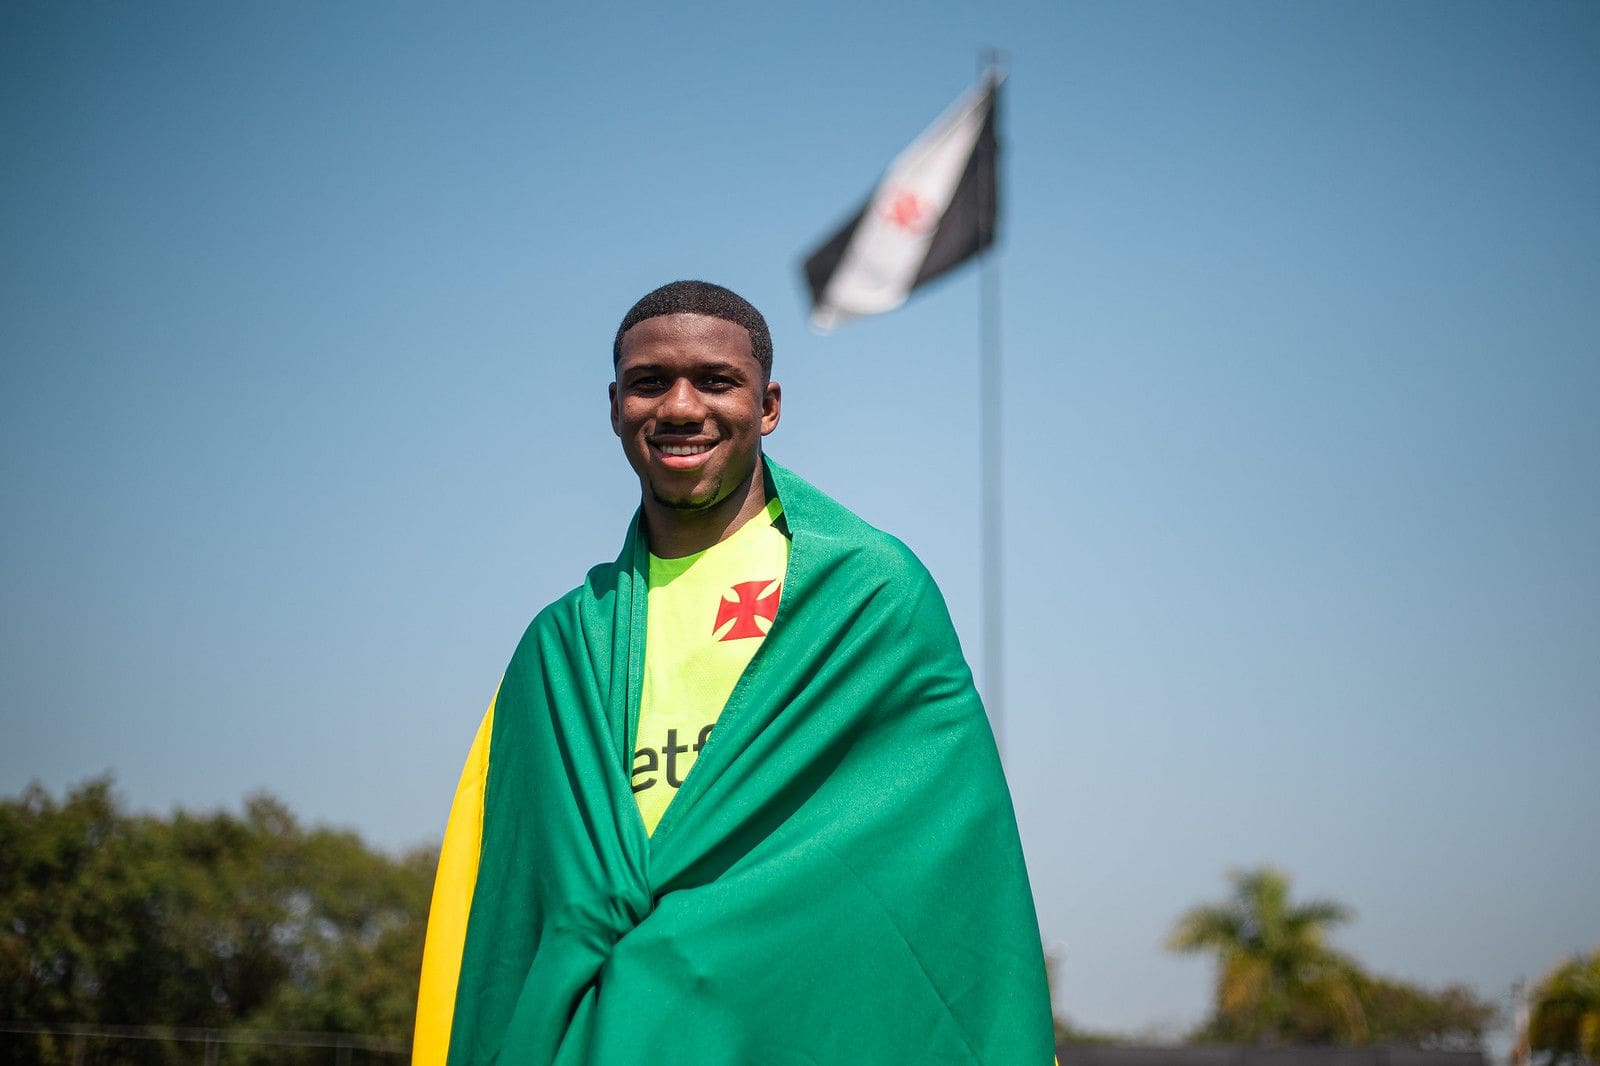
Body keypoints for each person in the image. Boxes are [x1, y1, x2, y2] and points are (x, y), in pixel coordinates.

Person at [412, 281, 1055, 1064]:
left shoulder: (869, 596)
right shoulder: (560, 647)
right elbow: (495, 911)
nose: (681, 408)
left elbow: (944, 884)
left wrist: (687, 958)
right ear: (614, 405)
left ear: (770, 405)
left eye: (716, 381)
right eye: (650, 383)